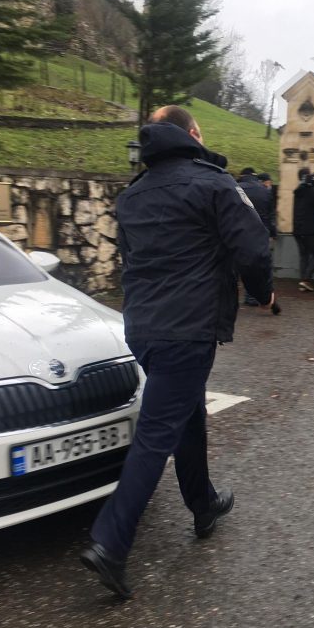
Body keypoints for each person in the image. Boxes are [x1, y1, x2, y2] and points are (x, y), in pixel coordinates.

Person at [80, 105, 275, 598]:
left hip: (142, 328)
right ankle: (110, 543)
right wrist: (264, 293)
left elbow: (131, 258)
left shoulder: (132, 195)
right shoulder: (214, 184)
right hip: (187, 329)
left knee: (186, 413)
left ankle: (202, 504)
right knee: (157, 432)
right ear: (192, 133)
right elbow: (253, 248)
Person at [238, 167, 276, 306]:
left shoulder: (236, 188)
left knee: (236, 265)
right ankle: (256, 295)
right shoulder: (265, 191)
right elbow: (271, 215)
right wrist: (273, 232)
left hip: (240, 231)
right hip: (261, 231)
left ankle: (234, 294)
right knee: (258, 265)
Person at [293, 167, 314, 291]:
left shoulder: (297, 192)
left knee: (303, 255)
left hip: (297, 229)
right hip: (311, 229)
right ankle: (306, 279)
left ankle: (303, 282)